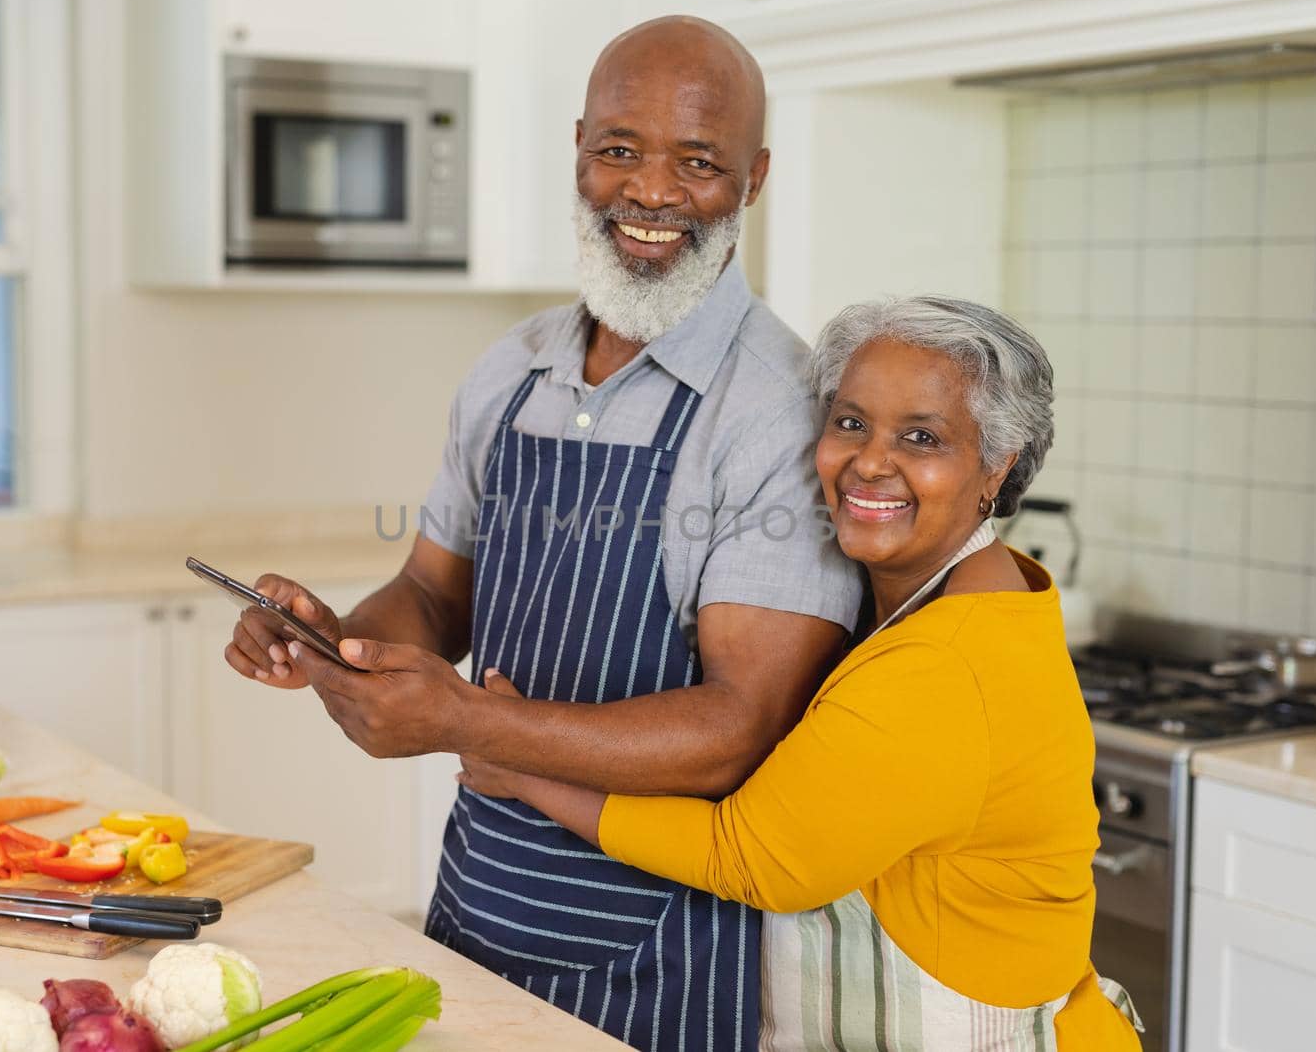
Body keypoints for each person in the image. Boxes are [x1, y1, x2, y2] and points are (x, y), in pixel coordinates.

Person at [224, 15, 862, 1052]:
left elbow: (740, 725)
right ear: (578, 148)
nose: (649, 193)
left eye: (696, 163)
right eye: (619, 150)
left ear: (753, 179)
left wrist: (469, 725)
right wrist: (337, 640)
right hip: (480, 897)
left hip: (662, 943)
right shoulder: (510, 368)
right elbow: (434, 595)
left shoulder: (777, 408)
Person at [459, 297, 1145, 1050]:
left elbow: (753, 856)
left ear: (998, 465)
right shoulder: (969, 589)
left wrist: (521, 768)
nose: (870, 460)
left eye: (922, 437)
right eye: (850, 422)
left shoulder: (943, 664)